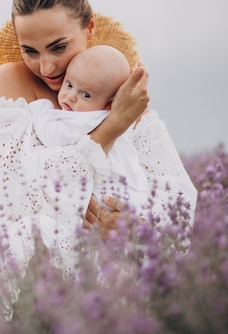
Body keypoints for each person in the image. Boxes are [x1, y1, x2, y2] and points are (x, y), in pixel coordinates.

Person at [0, 0, 197, 324]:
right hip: (27, 267)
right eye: (30, 50)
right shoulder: (9, 83)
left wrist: (134, 223)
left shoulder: (117, 86)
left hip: (116, 263)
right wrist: (112, 126)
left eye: (58, 47)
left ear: (89, 29)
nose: (46, 67)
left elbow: (174, 188)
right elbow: (11, 188)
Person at [30, 44, 149, 220]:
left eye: (85, 95)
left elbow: (53, 136)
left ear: (109, 104)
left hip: (103, 198)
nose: (70, 96)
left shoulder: (86, 119)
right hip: (134, 196)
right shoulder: (116, 119)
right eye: (69, 84)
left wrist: (41, 108)